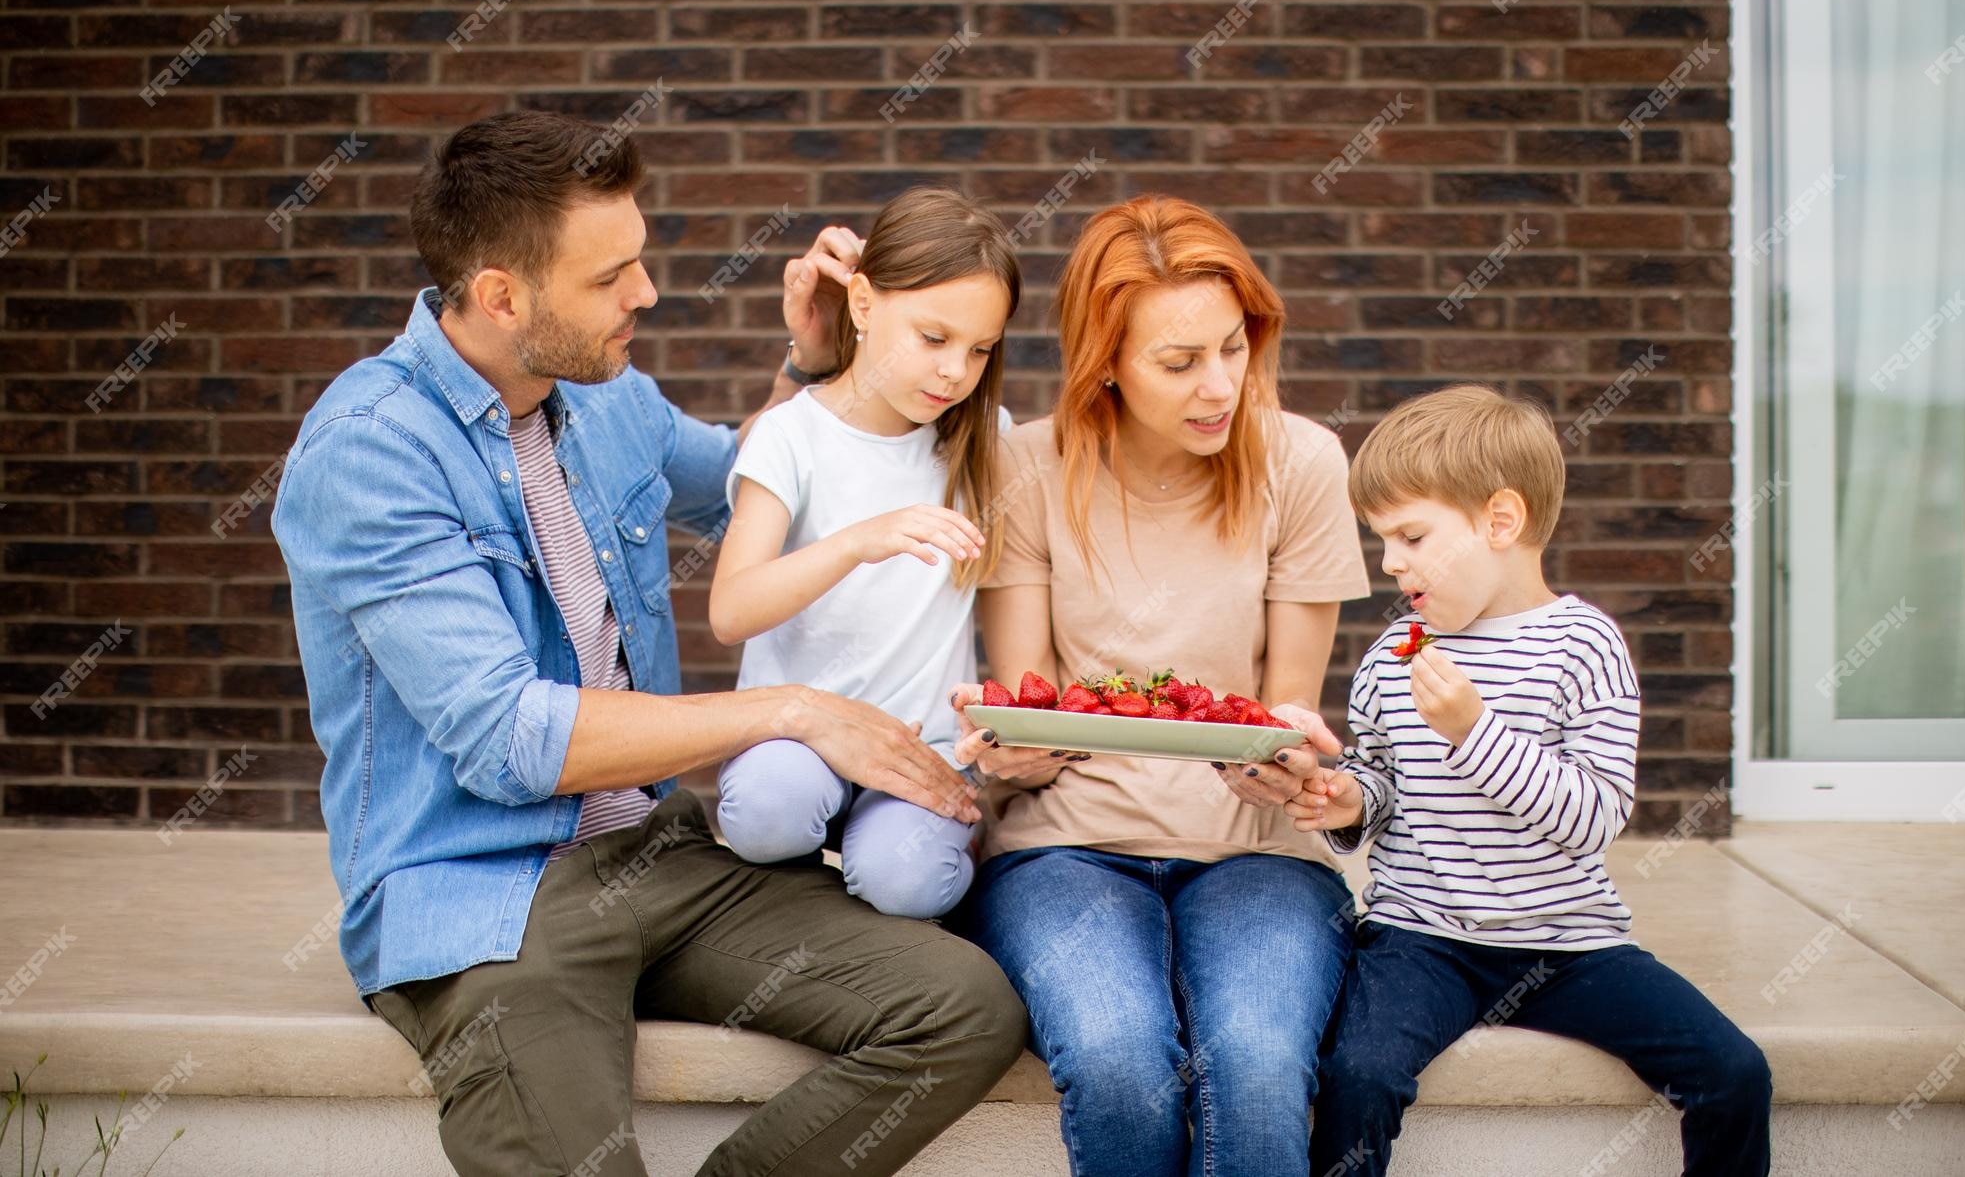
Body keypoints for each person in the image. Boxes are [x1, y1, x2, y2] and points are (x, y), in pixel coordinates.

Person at [270, 110, 1026, 1177]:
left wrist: (820, 368)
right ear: (500, 295)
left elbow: (753, 499)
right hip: (482, 901)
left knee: (961, 1006)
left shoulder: (606, 397)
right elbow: (509, 738)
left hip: (655, 857)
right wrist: (794, 712)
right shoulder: (371, 452)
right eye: (610, 275)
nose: (647, 293)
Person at [946, 194, 1375, 1175]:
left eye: (1232, 347)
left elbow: (1287, 717)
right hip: (1067, 850)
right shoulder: (1026, 463)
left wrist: (1292, 766)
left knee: (1259, 1069)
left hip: (1258, 850)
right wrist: (1013, 752)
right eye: (1177, 364)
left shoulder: (1300, 461)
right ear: (1104, 361)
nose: (1217, 386)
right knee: (1116, 1060)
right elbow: (1028, 704)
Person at [1282, 383, 1773, 1176]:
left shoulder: (1584, 646)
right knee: (1355, 1075)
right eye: (1382, 539)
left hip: (1568, 944)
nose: (1389, 561)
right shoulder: (1394, 653)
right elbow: (1378, 783)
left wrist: (1476, 733)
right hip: (1421, 939)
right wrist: (1346, 801)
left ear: (1499, 521)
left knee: (1735, 1073)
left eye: (1410, 534)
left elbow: (1592, 817)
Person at [708, 186, 1020, 918]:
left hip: (921, 745)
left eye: (979, 349)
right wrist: (859, 541)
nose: (954, 371)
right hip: (798, 738)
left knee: (906, 879)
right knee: (764, 812)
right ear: (863, 303)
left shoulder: (986, 441)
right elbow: (730, 609)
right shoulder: (792, 433)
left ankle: (884, 872)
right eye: (934, 337)